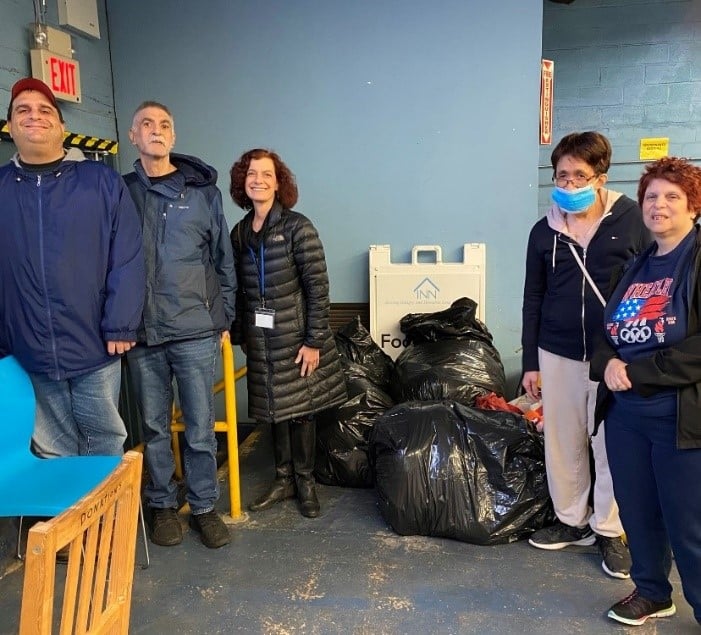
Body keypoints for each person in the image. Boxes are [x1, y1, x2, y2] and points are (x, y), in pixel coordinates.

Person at [521, 131, 648, 578]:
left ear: (601, 177)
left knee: (610, 441)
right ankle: (572, 520)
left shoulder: (632, 221)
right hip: (556, 351)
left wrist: (634, 347)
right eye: (562, 175)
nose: (570, 184)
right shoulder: (544, 232)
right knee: (562, 437)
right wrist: (530, 363)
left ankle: (610, 528)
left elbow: (648, 289)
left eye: (580, 175)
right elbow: (532, 297)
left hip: (614, 355)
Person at [0, 77, 145, 458]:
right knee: (53, 454)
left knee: (104, 443)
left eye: (45, 110)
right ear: (10, 126)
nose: (35, 117)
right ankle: (69, 519)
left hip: (94, 344)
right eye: (23, 111)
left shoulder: (99, 181)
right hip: (28, 351)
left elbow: (127, 254)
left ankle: (110, 519)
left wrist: (120, 322)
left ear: (62, 127)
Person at [591, 156, 701, 627]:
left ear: (692, 205)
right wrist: (609, 363)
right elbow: (605, 332)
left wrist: (642, 371)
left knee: (689, 522)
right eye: (651, 196)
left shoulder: (695, 259)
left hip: (679, 415)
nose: (659, 205)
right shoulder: (635, 266)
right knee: (637, 512)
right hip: (626, 417)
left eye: (672, 196)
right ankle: (653, 592)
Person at [124, 102, 237, 549]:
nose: (156, 131)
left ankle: (205, 506)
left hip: (194, 330)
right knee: (152, 427)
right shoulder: (121, 191)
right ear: (133, 136)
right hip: (142, 333)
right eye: (146, 125)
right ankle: (162, 504)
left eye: (164, 125)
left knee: (199, 427)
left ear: (173, 136)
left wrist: (222, 317)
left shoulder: (203, 195)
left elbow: (222, 261)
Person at [229, 149, 347, 518]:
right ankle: (283, 480)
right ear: (241, 182)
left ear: (279, 183)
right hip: (262, 340)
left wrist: (313, 341)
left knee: (302, 411)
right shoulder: (240, 232)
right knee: (274, 410)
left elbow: (318, 287)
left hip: (296, 340)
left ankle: (305, 482)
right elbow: (237, 289)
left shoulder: (298, 227)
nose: (258, 180)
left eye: (266, 174)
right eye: (251, 174)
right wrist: (238, 333)